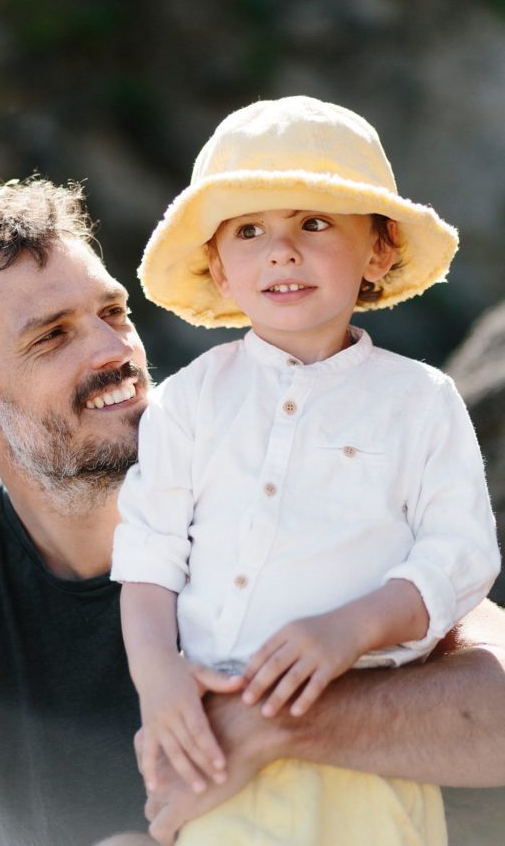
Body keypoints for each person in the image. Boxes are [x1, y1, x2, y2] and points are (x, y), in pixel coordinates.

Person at [0, 176, 505, 845]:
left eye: (113, 313)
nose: (114, 352)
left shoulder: (293, 481)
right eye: (51, 337)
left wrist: (271, 726)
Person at [112, 96, 499, 845]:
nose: (281, 250)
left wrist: (351, 627)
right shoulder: (189, 402)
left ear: (379, 251)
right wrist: (159, 680)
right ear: (218, 266)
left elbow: (459, 554)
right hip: (213, 743)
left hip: (370, 743)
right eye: (250, 230)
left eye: (314, 223)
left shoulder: (421, 398)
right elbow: (150, 557)